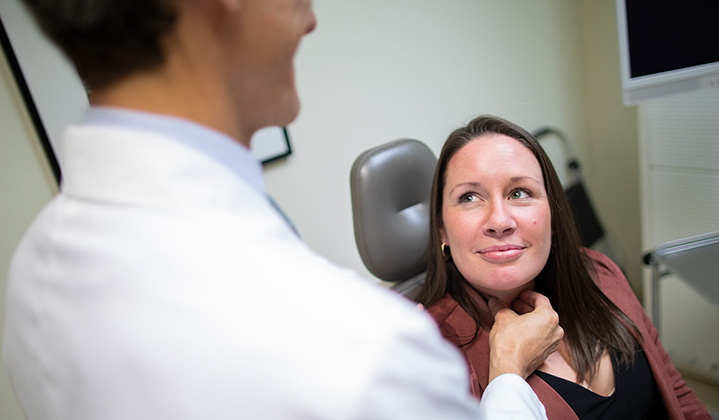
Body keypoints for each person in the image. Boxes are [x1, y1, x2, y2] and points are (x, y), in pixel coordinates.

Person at [2, 1, 563, 419]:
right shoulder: (359, 348)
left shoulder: (30, 272)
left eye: (521, 192)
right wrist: (508, 377)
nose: (309, 18)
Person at [417, 115, 712, 420]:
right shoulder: (428, 358)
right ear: (441, 227)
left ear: (552, 212)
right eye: (469, 197)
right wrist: (508, 370)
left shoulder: (598, 272)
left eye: (519, 193)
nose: (500, 222)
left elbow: (676, 392)